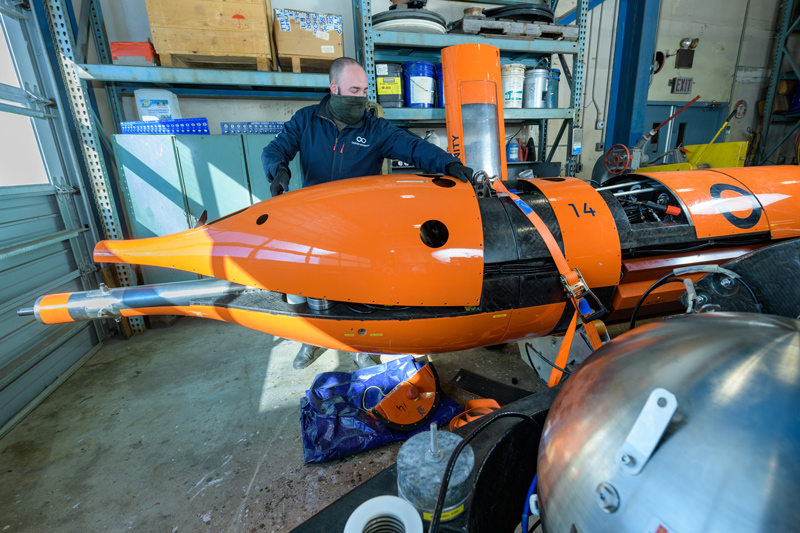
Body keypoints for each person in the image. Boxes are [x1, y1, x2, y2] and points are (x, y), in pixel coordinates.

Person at [261, 57, 474, 370]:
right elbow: (275, 149)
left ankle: (362, 345)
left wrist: (450, 164)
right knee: (308, 285)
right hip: (316, 222)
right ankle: (312, 339)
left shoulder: (376, 129)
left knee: (358, 291)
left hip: (360, 226)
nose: (360, 98)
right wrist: (278, 170)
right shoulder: (305, 121)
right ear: (334, 88)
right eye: (353, 90)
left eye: (363, 90)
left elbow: (414, 147)